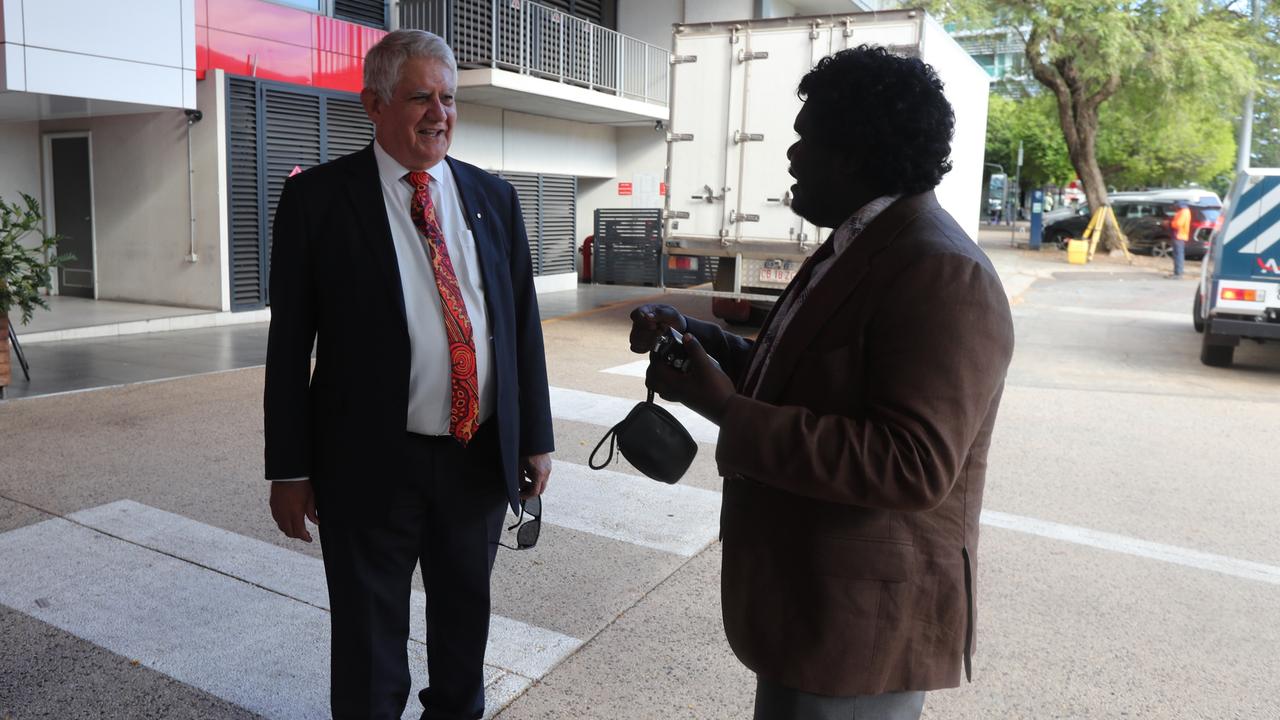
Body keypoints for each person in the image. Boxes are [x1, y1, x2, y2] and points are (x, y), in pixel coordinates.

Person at [630, 46, 1014, 720]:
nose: (791, 157)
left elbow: (911, 466)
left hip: (861, 632)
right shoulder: (861, 243)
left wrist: (725, 409)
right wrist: (706, 346)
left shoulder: (941, 272)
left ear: (854, 153)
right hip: (813, 613)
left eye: (806, 138)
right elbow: (808, 375)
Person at [263, 29, 554, 720]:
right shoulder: (319, 201)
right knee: (368, 645)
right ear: (374, 103)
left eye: (449, 98)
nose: (439, 113)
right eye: (420, 96)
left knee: (462, 638)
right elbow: (288, 348)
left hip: (475, 458)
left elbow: (519, 326)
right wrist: (288, 468)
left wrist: (534, 436)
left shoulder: (492, 197)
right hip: (367, 465)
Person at [1169, 200, 1191, 278]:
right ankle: (1177, 272)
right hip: (1179, 235)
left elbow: (1178, 224)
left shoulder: (1183, 212)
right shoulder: (1183, 211)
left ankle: (1178, 273)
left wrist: (1170, 223)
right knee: (1177, 254)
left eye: (1175, 205)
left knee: (1178, 255)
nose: (1174, 207)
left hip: (1179, 235)